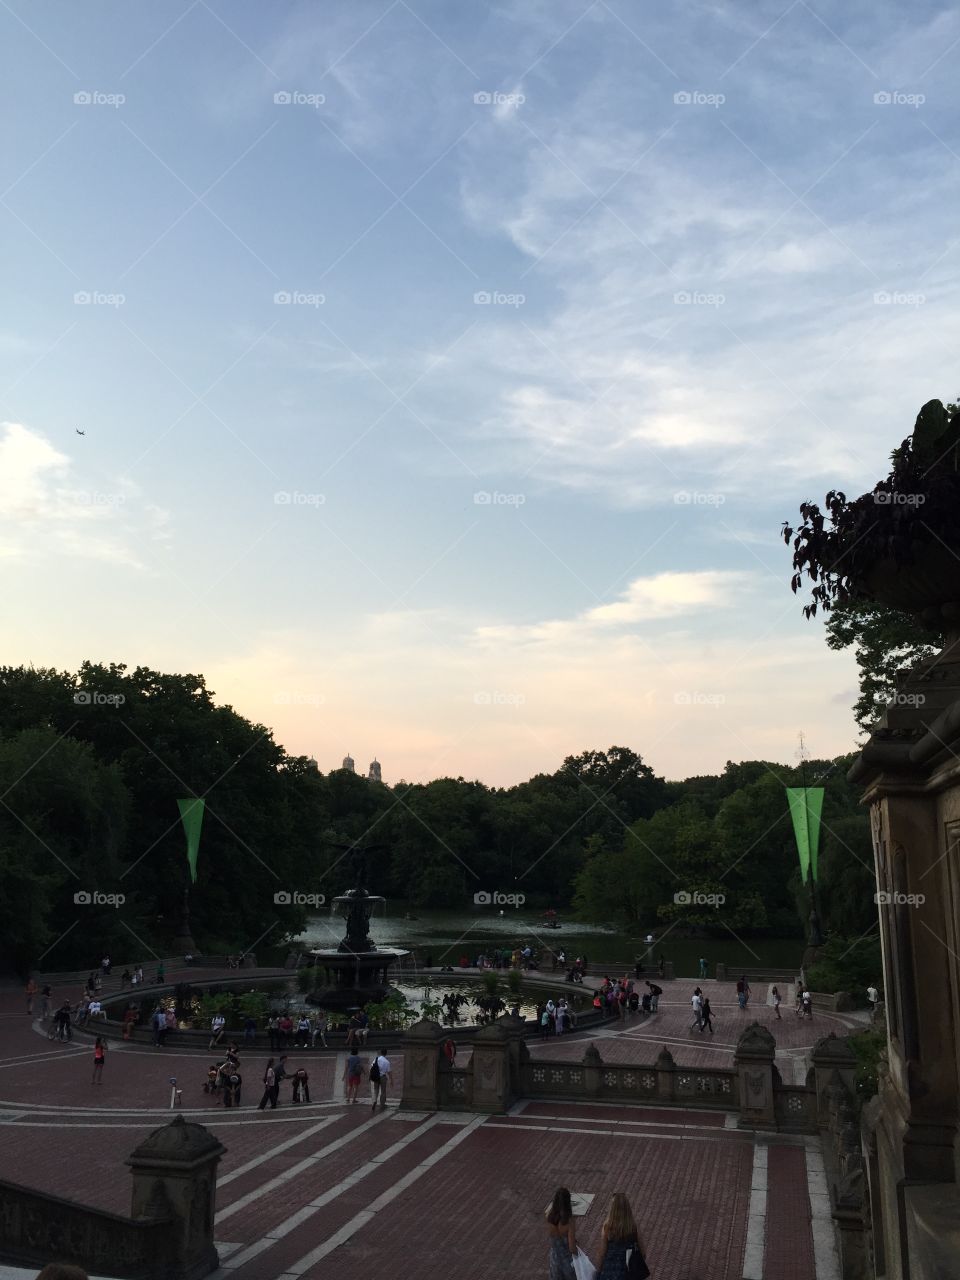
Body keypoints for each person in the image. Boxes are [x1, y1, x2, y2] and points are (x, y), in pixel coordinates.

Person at [596, 1191, 646, 1280]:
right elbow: (643, 1253)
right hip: (628, 1273)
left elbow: (602, 1254)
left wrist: (598, 1271)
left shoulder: (607, 1227)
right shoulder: (633, 1227)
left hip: (609, 1273)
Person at [546, 1186, 579, 1279]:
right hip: (567, 1262)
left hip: (555, 1260)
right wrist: (579, 1254)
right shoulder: (570, 1221)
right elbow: (572, 1248)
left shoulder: (549, 1217)